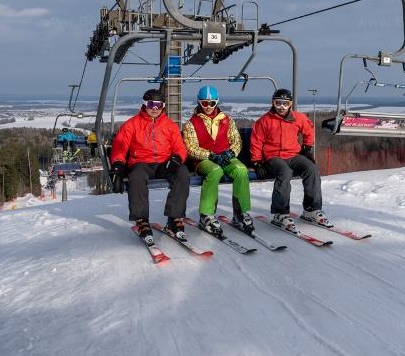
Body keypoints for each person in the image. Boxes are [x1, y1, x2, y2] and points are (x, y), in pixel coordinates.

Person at [109, 89, 190, 245]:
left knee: (183, 173)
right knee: (137, 176)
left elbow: (180, 146)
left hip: (164, 163)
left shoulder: (169, 125)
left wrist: (176, 159)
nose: (155, 108)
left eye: (159, 105)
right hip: (142, 162)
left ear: (163, 107)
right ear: (144, 104)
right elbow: (120, 147)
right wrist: (118, 165)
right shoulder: (132, 124)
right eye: (151, 104)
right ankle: (141, 220)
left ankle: (174, 218)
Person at [250, 88, 331, 233]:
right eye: (278, 103)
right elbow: (256, 141)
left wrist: (307, 148)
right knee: (284, 172)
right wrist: (256, 162)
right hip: (272, 157)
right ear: (273, 103)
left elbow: (309, 129)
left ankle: (311, 209)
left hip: (293, 155)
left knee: (311, 168)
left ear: (290, 104)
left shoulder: (297, 118)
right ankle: (280, 213)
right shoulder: (265, 120)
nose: (281, 107)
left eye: (285, 104)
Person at [183, 86, 252, 237]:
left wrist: (231, 152)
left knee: (241, 170)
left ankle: (241, 212)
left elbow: (236, 140)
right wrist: (210, 155)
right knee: (215, 171)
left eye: (212, 103)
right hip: (204, 160)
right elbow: (191, 147)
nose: (208, 107)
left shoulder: (227, 120)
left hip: (226, 156)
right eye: (205, 103)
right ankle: (206, 215)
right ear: (199, 103)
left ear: (217, 102)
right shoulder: (191, 123)